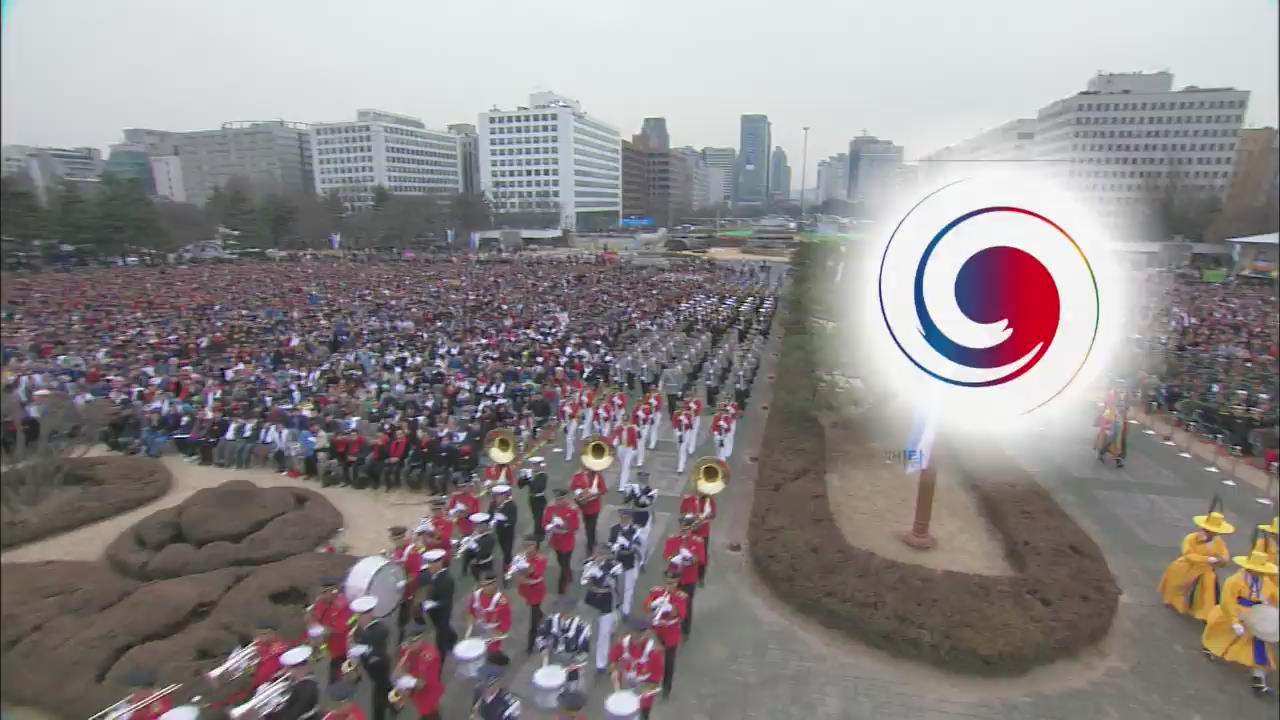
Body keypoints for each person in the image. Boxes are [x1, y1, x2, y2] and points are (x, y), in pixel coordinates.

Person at [1201, 544, 1278, 695]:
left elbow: (1274, 597)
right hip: (1234, 612)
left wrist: (1271, 613)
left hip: (1256, 617)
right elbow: (1227, 601)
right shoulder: (1235, 580)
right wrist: (1235, 620)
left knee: (1260, 645)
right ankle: (1209, 647)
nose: (1260, 573)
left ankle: (1258, 678)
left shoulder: (1266, 582)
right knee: (1222, 635)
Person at [1156, 503, 1233, 620]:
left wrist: (1222, 559)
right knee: (1178, 586)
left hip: (1206, 570)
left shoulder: (1218, 541)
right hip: (1187, 566)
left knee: (1207, 592)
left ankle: (1205, 614)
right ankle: (1172, 601)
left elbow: (1224, 554)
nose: (1213, 533)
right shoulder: (1192, 538)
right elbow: (1188, 554)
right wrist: (1206, 559)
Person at [607, 618, 664, 720]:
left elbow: (655, 679)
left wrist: (644, 691)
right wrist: (614, 672)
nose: (637, 638)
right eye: (634, 634)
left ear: (647, 634)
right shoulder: (623, 644)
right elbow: (613, 659)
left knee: (643, 716)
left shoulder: (654, 652)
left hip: (643, 692)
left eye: (640, 635)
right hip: (624, 688)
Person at [646, 571, 689, 698]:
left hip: (671, 631)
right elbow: (647, 606)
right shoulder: (657, 592)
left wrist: (670, 608)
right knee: (653, 657)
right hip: (657, 629)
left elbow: (680, 614)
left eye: (672, 584)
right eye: (667, 583)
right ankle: (652, 683)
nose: (669, 586)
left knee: (669, 662)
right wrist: (654, 604)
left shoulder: (681, 597)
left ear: (677, 583)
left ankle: (666, 688)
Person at [535, 596, 592, 694]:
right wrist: (543, 650)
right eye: (562, 612)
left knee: (572, 692)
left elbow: (585, 651)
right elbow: (540, 636)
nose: (563, 615)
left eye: (567, 612)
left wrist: (575, 663)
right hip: (554, 661)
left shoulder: (582, 628)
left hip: (572, 665)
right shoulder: (552, 620)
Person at [581, 547, 623, 674]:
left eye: (599, 554)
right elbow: (584, 582)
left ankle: (601, 663)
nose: (596, 556)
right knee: (591, 629)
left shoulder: (614, 566)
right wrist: (589, 575)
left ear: (606, 556)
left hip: (607, 600)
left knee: (604, 634)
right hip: (593, 599)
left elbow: (612, 583)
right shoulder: (589, 564)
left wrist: (602, 575)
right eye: (595, 553)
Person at [663, 516, 707, 637]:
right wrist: (674, 558)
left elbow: (702, 559)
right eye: (683, 529)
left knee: (687, 604)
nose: (684, 532)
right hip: (673, 578)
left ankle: (686, 629)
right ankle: (670, 626)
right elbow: (666, 555)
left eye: (687, 529)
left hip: (688, 578)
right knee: (670, 601)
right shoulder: (672, 539)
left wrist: (691, 558)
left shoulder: (697, 541)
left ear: (691, 528)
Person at [351, 595, 393, 720]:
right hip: (369, 667)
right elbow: (357, 639)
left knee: (378, 696)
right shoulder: (358, 629)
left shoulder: (380, 628)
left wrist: (366, 649)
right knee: (387, 688)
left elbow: (379, 643)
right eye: (358, 615)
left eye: (362, 615)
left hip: (380, 665)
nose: (358, 618)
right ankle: (395, 703)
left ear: (370, 614)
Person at [391, 623, 443, 720]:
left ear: (421, 640)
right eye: (408, 642)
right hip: (413, 694)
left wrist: (407, 680)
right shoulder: (407, 649)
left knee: (430, 716)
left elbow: (425, 684)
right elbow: (400, 659)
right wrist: (399, 670)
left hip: (427, 697)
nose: (409, 646)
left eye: (413, 642)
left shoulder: (430, 657)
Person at [306, 577, 353, 683]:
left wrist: (326, 630)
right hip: (331, 647)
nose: (320, 596)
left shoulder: (342, 605)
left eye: (324, 593)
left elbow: (343, 627)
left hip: (344, 646)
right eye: (320, 592)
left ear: (332, 592)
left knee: (337, 678)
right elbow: (317, 619)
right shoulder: (320, 603)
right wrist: (310, 620)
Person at [512, 534, 549, 654]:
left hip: (536, 590)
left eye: (530, 545)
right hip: (526, 588)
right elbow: (515, 571)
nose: (527, 548)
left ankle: (530, 644)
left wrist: (522, 567)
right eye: (525, 545)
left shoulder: (541, 559)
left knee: (533, 622)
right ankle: (541, 614)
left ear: (535, 545)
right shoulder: (522, 557)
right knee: (535, 609)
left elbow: (534, 573)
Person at [419, 548, 457, 666]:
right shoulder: (426, 574)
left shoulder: (447, 579)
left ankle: (439, 661)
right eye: (430, 563)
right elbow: (421, 584)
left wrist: (433, 604)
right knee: (441, 628)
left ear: (440, 563)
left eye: (435, 563)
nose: (432, 566)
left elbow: (446, 600)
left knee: (440, 636)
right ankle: (452, 636)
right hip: (432, 611)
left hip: (443, 611)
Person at [466, 574, 513, 664]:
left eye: (489, 585)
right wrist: (472, 619)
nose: (486, 588)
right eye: (484, 585)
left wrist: (500, 632)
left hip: (494, 630)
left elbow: (506, 620)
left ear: (494, 585)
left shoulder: (501, 601)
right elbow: (470, 611)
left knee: (493, 650)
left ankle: (501, 660)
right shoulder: (476, 595)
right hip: (480, 627)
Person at [263, 646, 319, 720]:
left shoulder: (307, 686)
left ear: (300, 668)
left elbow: (295, 712)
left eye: (289, 668)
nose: (286, 672)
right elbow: (287, 708)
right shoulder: (298, 684)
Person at [543, 489, 581, 594]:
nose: (558, 501)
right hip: (556, 542)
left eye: (561, 499)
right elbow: (545, 522)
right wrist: (549, 526)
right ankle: (569, 572)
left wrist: (564, 524)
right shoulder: (551, 509)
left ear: (565, 499)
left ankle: (561, 588)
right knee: (561, 561)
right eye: (557, 499)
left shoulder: (572, 510)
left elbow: (575, 526)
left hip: (567, 542)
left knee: (563, 565)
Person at [386, 526, 424, 634]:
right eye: (393, 540)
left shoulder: (411, 551)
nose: (394, 543)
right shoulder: (396, 550)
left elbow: (415, 572)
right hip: (400, 592)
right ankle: (402, 636)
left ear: (401, 538)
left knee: (415, 614)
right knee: (402, 619)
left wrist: (405, 582)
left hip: (412, 590)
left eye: (396, 540)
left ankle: (420, 631)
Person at [679, 487, 716, 586]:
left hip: (703, 532)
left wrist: (705, 517)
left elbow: (713, 515)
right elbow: (682, 513)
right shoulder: (688, 499)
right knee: (686, 553)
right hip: (689, 531)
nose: (702, 491)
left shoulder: (709, 500)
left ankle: (701, 577)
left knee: (702, 555)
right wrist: (691, 518)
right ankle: (684, 575)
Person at [608, 508, 643, 615]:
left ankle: (626, 608)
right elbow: (610, 543)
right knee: (617, 585)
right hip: (617, 561)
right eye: (623, 517)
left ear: (631, 518)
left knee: (628, 587)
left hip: (629, 561)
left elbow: (637, 546)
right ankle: (618, 601)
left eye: (627, 517)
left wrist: (628, 545)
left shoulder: (635, 531)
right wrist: (614, 546)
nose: (625, 519)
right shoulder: (614, 529)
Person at [570, 464, 607, 555]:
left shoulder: (597, 476)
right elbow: (573, 486)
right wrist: (579, 493)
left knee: (591, 525)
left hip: (594, 506)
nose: (585, 467)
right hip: (584, 506)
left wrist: (593, 493)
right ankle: (592, 539)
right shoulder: (578, 476)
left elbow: (604, 489)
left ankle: (590, 545)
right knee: (587, 525)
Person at [623, 475, 659, 570]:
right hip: (634, 515)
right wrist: (627, 491)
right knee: (632, 538)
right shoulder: (634, 488)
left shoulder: (649, 490)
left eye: (644, 479)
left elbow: (650, 504)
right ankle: (632, 557)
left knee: (644, 542)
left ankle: (642, 561)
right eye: (641, 479)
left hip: (645, 517)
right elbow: (626, 501)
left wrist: (653, 516)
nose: (642, 481)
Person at [516, 457, 549, 542]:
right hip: (532, 499)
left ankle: (537, 536)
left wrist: (530, 478)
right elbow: (520, 485)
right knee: (536, 517)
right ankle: (541, 533)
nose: (533, 467)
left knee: (538, 518)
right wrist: (522, 476)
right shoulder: (532, 475)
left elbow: (537, 488)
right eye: (533, 465)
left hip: (539, 499)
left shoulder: (543, 476)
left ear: (540, 466)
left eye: (536, 465)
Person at [489, 484, 518, 575]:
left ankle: (506, 568)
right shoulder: (493, 504)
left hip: (508, 531)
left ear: (505, 496)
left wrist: (504, 519)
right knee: (503, 548)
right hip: (499, 530)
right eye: (496, 495)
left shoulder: (511, 505)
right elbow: (490, 514)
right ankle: (508, 560)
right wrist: (492, 519)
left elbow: (513, 521)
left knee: (507, 550)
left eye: (499, 495)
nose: (497, 498)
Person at [462, 512, 498, 582]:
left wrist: (474, 547)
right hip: (475, 565)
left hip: (485, 564)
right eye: (475, 525)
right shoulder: (476, 535)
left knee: (487, 580)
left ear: (486, 525)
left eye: (479, 525)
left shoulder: (489, 538)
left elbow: (483, 554)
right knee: (479, 580)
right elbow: (468, 552)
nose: (476, 527)